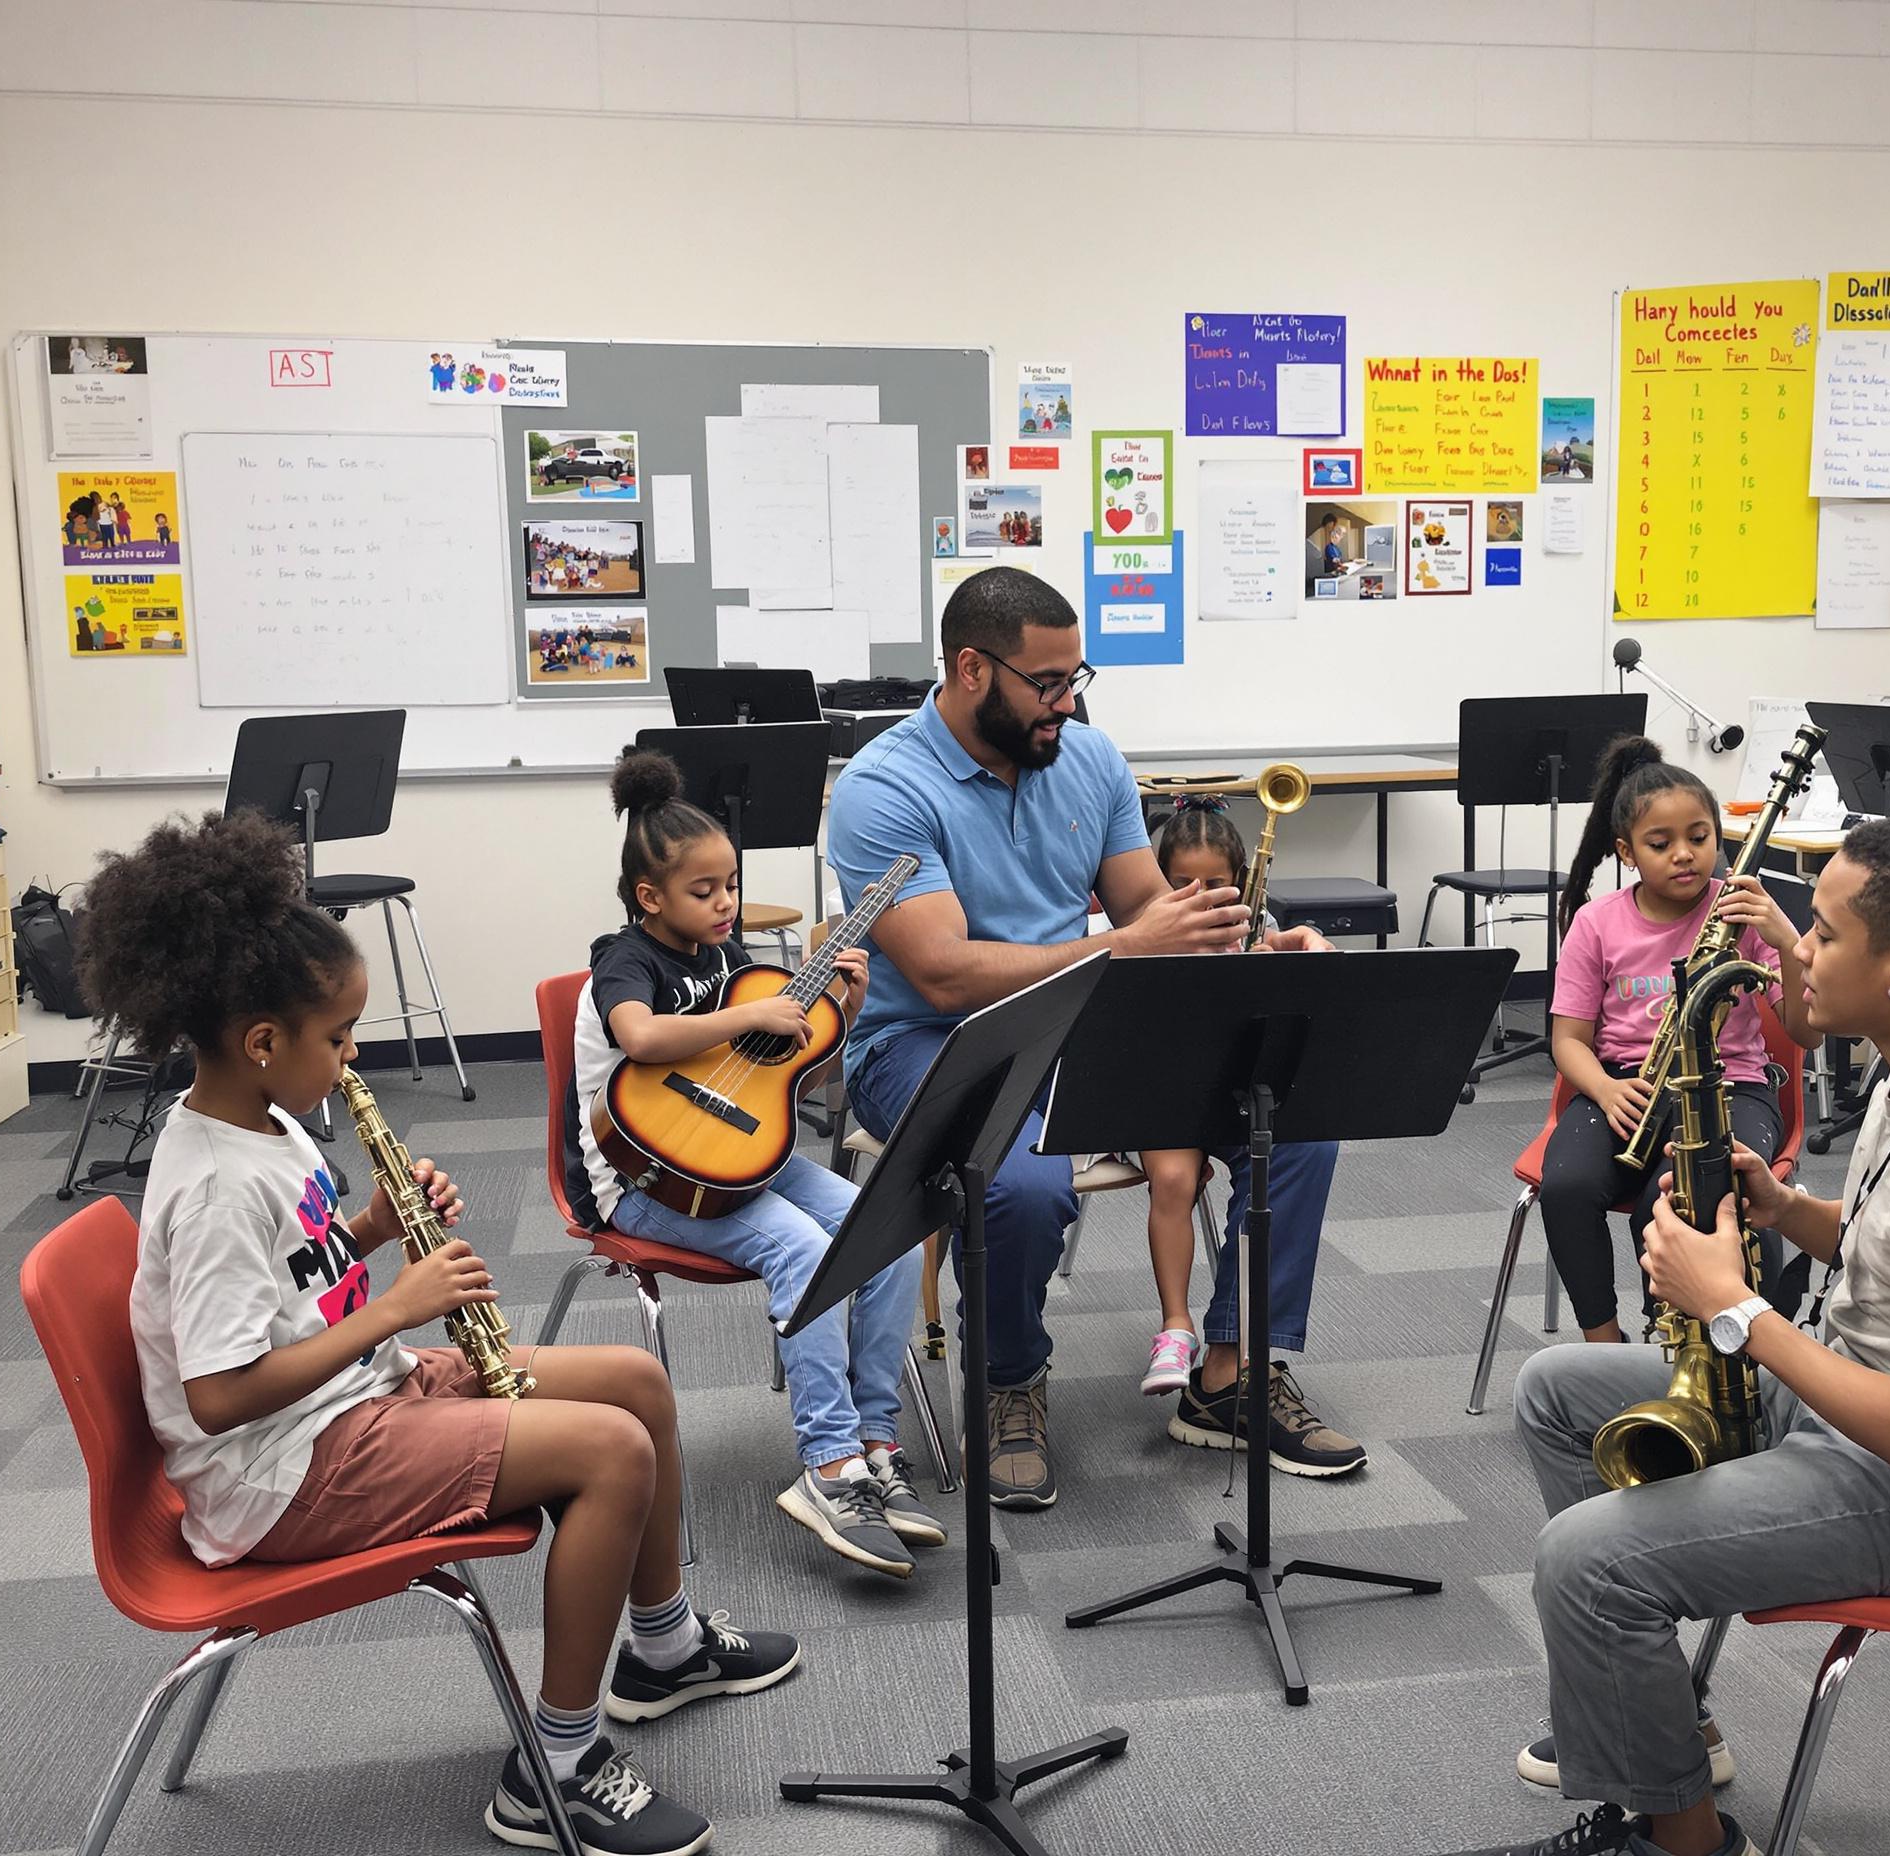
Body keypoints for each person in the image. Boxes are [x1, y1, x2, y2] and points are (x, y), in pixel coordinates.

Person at [76, 809, 790, 1856]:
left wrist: (366, 1228)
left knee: (635, 1379)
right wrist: (395, 1305)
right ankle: (558, 1759)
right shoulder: (216, 1186)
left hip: (360, 1393)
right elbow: (219, 1395)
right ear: (263, 1040)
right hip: (285, 1469)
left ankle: (665, 1645)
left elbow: (294, 1283)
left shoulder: (266, 1120)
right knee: (611, 1448)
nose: (353, 1055)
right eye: (338, 1037)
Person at [1506, 811, 1890, 1856]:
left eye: (1824, 932)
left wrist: (1737, 1309)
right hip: (1870, 1398)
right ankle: (1656, 1717)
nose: (1794, 950)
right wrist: (1789, 1211)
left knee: (1588, 1560)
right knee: (1556, 1388)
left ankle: (1687, 1840)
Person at [829, 568, 1366, 1510]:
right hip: (928, 1041)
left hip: (1083, 1024)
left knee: (1296, 1122)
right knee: (1019, 1185)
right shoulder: (883, 789)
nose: (1066, 703)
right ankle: (1009, 1384)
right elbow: (944, 971)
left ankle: (1229, 1375)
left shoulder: (1086, 757)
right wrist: (1123, 946)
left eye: (1078, 678)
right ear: (969, 670)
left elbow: (1149, 911)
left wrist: (1249, 943)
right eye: (1047, 683)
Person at [569, 750, 940, 1582]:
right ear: (649, 898)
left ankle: (877, 1440)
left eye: (731, 885)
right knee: (802, 1251)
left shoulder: (732, 963)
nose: (725, 903)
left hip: (740, 1158)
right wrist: (753, 1012)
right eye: (705, 892)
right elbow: (641, 1037)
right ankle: (830, 1466)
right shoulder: (624, 957)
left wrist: (845, 1003)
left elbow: (788, 1063)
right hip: (637, 1178)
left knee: (889, 1231)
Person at [1543, 737, 1816, 1343]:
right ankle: (1603, 1344)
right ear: (1627, 852)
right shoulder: (1597, 922)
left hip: (1731, 1088)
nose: (1685, 856)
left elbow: (1806, 1033)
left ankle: (1677, 1353)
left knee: (1664, 1208)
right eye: (1660, 844)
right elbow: (1567, 1040)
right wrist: (1607, 1090)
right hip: (1627, 1087)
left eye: (1700, 837)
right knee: (1566, 1188)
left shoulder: (1741, 910)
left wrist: (1787, 938)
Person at [1132, 795, 1252, 1395]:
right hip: (1163, 1089)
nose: (1199, 897)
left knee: (1278, 1161)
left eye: (1216, 884)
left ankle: (1238, 1333)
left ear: (1242, 884)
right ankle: (1176, 1327)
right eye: (1181, 884)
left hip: (1231, 1089)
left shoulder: (1258, 933)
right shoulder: (1143, 939)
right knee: (1176, 1180)